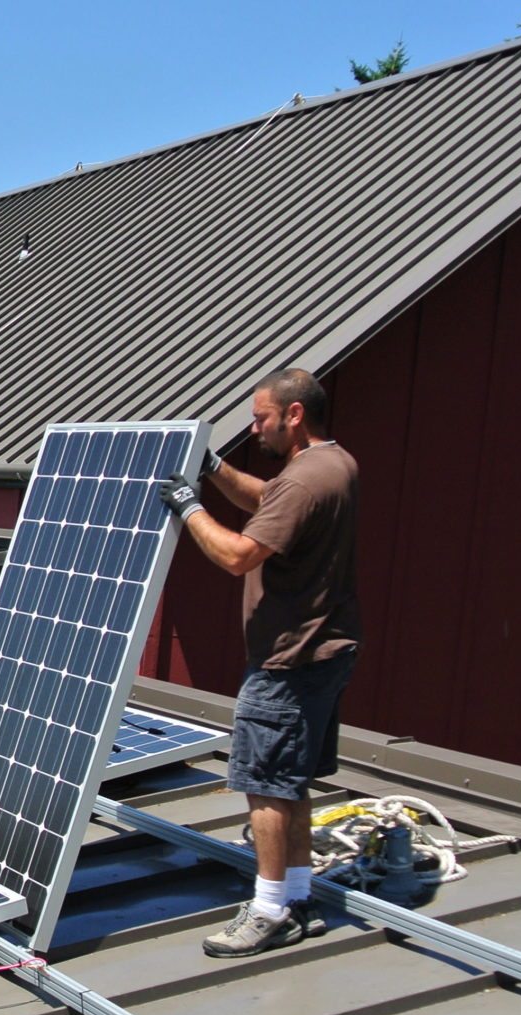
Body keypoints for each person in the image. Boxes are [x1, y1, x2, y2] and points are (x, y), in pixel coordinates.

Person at [158, 367, 360, 958]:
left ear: (294, 415)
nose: (256, 427)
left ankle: (269, 910)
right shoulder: (331, 464)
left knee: (266, 787)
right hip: (325, 647)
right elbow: (268, 499)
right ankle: (297, 899)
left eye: (262, 417)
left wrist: (188, 509)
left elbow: (239, 555)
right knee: (290, 782)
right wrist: (215, 471)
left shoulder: (304, 482)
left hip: (289, 660)